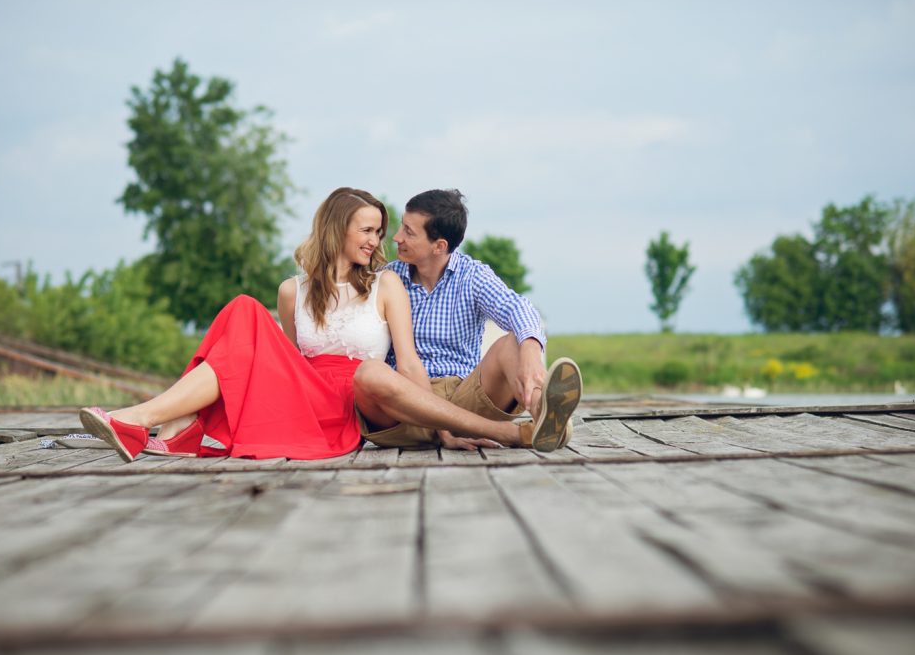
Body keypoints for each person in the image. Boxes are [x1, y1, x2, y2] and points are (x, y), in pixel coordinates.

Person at [80, 187, 557, 463]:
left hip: (369, 397)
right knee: (243, 309)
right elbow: (283, 363)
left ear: (439, 245)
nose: (383, 240)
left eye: (390, 231)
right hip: (323, 394)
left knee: (510, 340)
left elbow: (408, 361)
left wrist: (439, 424)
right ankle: (151, 420)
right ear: (338, 230)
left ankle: (146, 421)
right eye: (370, 230)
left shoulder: (390, 284)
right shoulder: (294, 292)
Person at [353, 189, 582, 453]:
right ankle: (513, 432)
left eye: (409, 231)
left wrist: (531, 354)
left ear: (439, 246)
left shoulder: (472, 275)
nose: (397, 237)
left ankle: (543, 409)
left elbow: (518, 307)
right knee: (369, 373)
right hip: (406, 409)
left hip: (466, 400)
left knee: (514, 342)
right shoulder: (387, 278)